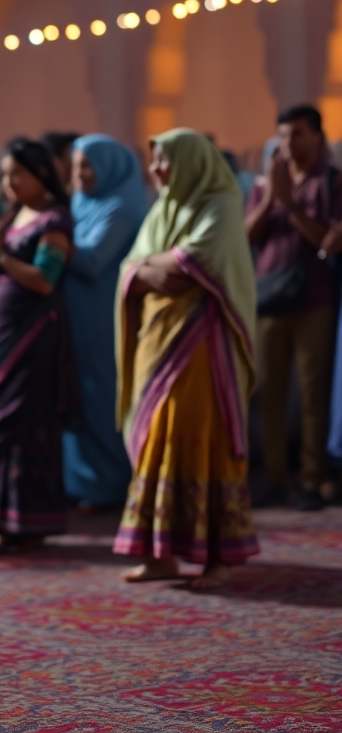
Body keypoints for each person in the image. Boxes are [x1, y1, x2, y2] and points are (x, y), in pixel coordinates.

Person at [114, 129, 259, 588]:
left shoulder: (222, 203)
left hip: (203, 346)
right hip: (158, 343)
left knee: (199, 439)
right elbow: (133, 268)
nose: (157, 171)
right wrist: (148, 269)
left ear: (192, 161)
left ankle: (217, 557)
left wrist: (146, 266)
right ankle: (161, 555)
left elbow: (197, 260)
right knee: (157, 439)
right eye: (154, 161)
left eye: (165, 161)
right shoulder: (163, 209)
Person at [0, 139, 76, 550]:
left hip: (33, 337)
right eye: (4, 175)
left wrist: (1, 256)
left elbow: (43, 280)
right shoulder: (11, 217)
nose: (8, 183)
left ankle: (23, 523)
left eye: (16, 174)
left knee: (22, 422)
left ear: (41, 176)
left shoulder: (53, 222)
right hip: (0, 339)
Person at [245, 104, 342, 510]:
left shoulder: (332, 181)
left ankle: (311, 477)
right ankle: (271, 476)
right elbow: (247, 235)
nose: (289, 143)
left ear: (318, 137)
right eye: (283, 135)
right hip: (269, 298)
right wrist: (271, 199)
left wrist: (291, 205)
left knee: (311, 392)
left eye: (298, 134)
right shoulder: (265, 183)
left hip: (314, 299)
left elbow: (329, 242)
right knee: (268, 390)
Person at [62, 135, 147, 510]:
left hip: (103, 315)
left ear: (109, 168)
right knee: (78, 390)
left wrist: (53, 240)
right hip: (77, 311)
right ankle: (80, 481)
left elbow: (94, 261)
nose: (79, 174)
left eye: (87, 166)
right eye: (76, 165)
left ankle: (110, 483)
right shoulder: (82, 202)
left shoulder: (121, 207)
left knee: (102, 394)